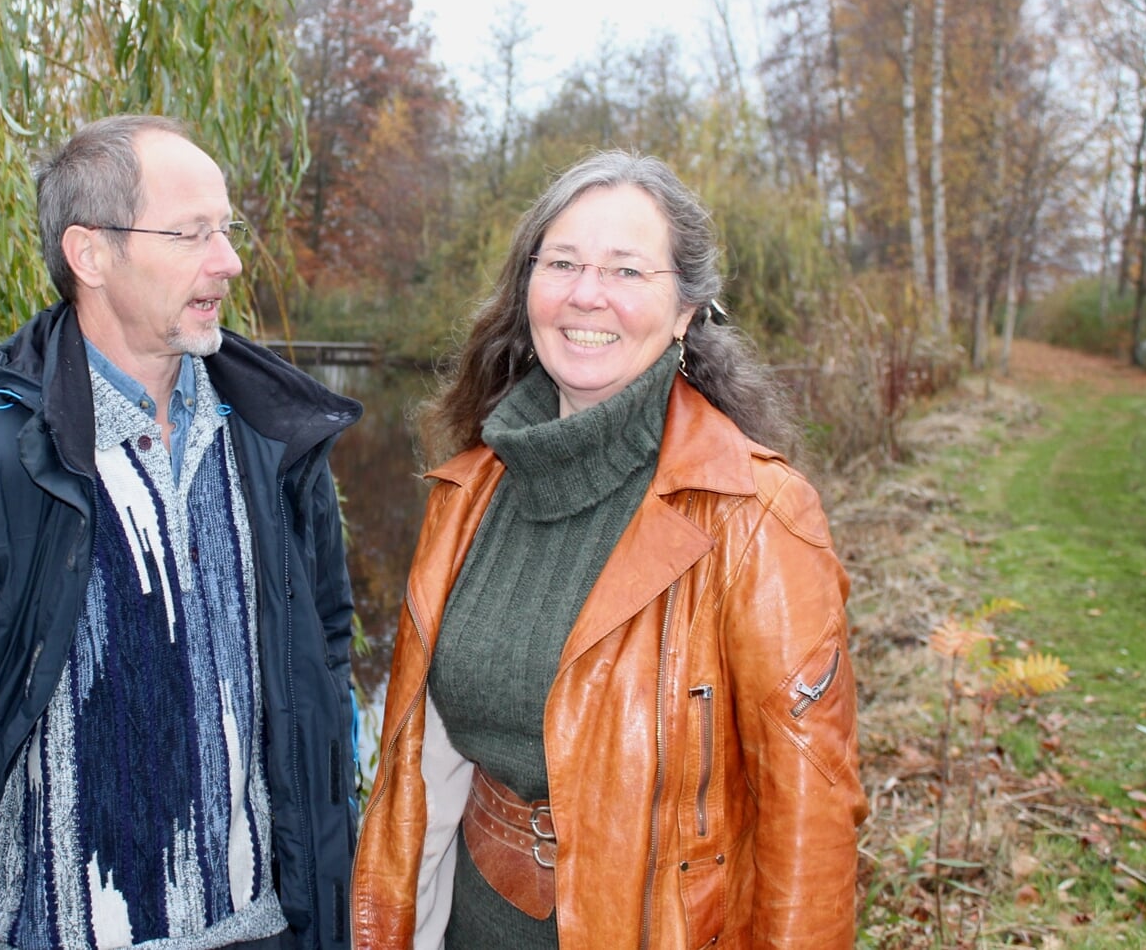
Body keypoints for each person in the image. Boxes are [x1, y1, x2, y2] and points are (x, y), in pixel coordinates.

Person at [0, 115, 362, 950]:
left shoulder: (272, 444)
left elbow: (322, 655)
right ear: (91, 254)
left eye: (228, 229)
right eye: (192, 234)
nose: (230, 261)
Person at [349, 151, 866, 949]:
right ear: (528, 289)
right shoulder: (468, 494)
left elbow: (811, 824)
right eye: (562, 262)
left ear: (688, 309)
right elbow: (419, 772)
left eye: (627, 270)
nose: (587, 293)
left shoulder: (756, 515)